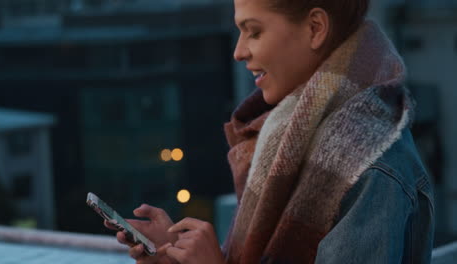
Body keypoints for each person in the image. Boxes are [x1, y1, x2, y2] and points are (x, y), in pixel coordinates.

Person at [105, 0, 435, 263]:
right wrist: (178, 255)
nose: (238, 51)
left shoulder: (369, 168)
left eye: (254, 31)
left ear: (315, 28)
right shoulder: (288, 135)